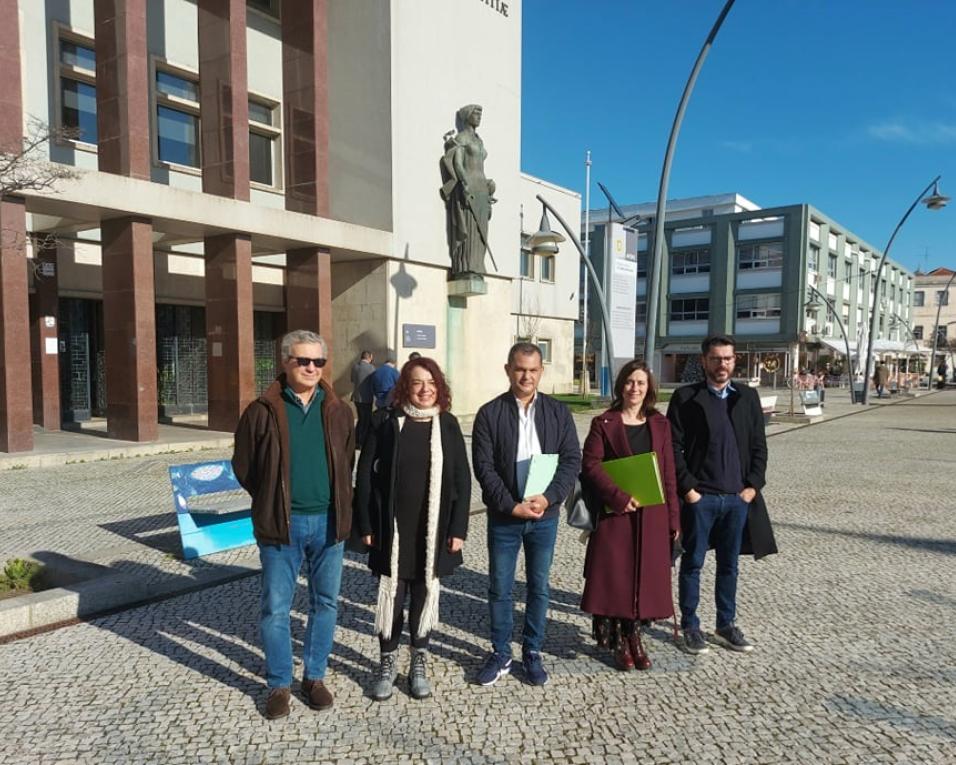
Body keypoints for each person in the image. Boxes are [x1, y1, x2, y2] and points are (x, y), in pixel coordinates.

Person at [232, 330, 355, 719]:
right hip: (280, 525)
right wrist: (271, 497)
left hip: (329, 522)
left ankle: (314, 677)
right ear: (286, 362)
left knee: (325, 604)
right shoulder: (262, 410)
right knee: (275, 608)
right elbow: (245, 466)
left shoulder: (338, 410)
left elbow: (347, 459)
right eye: (303, 361)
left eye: (318, 362)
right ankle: (279, 683)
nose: (312, 368)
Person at [355, 357, 471, 702]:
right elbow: (364, 477)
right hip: (392, 528)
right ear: (405, 386)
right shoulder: (386, 422)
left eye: (431, 383)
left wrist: (458, 528)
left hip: (432, 528)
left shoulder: (447, 425)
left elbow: (462, 481)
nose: (424, 390)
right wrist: (366, 524)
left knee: (423, 593)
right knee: (392, 596)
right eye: (418, 383)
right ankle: (387, 663)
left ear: (440, 387)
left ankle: (418, 659)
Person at [471, 342, 581, 686]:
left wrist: (548, 499)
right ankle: (501, 652)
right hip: (505, 517)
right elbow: (484, 467)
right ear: (508, 370)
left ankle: (532, 651)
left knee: (539, 588)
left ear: (541, 371)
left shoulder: (558, 412)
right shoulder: (489, 413)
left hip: (544, 517)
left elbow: (571, 460)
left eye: (533, 370)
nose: (526, 376)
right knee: (500, 588)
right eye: (520, 369)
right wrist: (510, 504)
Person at [666, 334, 777, 656]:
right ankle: (691, 625)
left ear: (734, 360)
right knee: (693, 563)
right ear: (704, 361)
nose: (722, 364)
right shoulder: (686, 398)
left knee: (729, 566)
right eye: (715, 358)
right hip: (702, 499)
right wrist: (688, 490)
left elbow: (759, 445)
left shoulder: (746, 397)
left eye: (727, 358)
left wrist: (752, 487)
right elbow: (673, 447)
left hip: (736, 499)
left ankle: (725, 624)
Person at [580, 361, 680, 671]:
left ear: (649, 387)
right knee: (618, 578)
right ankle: (620, 640)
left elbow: (668, 474)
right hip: (616, 515)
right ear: (620, 385)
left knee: (644, 578)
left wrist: (675, 520)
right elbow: (591, 465)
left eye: (640, 382)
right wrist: (618, 497)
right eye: (629, 382)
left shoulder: (660, 424)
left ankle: (636, 635)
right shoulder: (603, 422)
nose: (634, 388)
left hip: (652, 514)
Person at [439, 103, 496, 277]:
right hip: (469, 185)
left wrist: (488, 184)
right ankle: (466, 266)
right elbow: (457, 163)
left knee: (481, 232)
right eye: (476, 113)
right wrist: (464, 183)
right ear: (467, 116)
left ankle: (478, 266)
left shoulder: (479, 140)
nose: (479, 116)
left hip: (482, 189)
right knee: (470, 230)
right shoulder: (462, 138)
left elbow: (480, 165)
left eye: (481, 114)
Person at [350, 350, 376, 448]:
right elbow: (374, 382)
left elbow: (352, 380)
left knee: (361, 419)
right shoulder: (371, 368)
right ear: (369, 357)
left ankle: (357, 440)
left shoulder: (355, 367)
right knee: (366, 420)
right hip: (367, 397)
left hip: (356, 397)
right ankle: (363, 441)